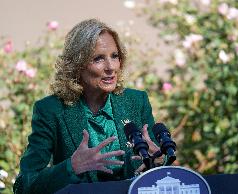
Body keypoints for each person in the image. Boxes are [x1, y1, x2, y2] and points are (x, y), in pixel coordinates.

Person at [13, 18, 161, 194]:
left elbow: (157, 170)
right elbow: (24, 185)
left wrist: (159, 160)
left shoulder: (136, 101)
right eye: (98, 58)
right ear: (76, 65)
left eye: (115, 56)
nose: (111, 67)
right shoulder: (51, 110)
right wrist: (71, 167)